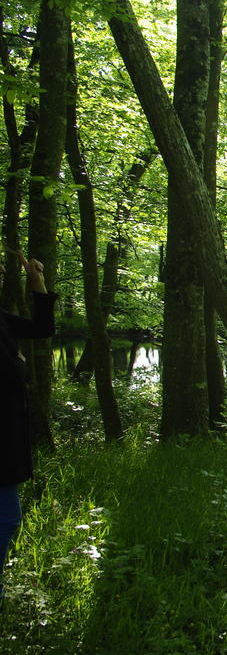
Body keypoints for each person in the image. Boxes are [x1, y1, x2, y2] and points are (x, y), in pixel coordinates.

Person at [0, 253, 57, 599]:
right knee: (6, 518)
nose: (2, 273)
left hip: (6, 440)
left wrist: (39, 285)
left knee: (7, 519)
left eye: (3, 269)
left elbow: (42, 329)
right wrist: (18, 366)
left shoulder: (2, 318)